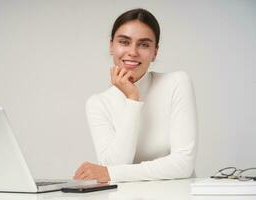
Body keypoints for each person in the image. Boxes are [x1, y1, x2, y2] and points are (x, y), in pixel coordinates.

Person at [73, 8, 198, 183]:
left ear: (155, 52)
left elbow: (183, 164)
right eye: (124, 42)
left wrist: (112, 173)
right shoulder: (98, 103)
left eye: (144, 44)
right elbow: (115, 164)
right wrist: (132, 99)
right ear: (111, 46)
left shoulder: (176, 82)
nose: (132, 52)